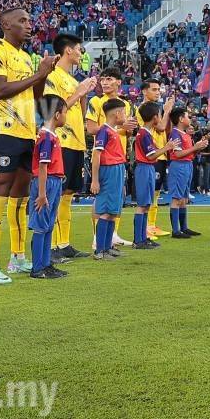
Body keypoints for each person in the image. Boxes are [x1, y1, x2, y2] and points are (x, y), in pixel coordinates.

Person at [0, 8, 58, 284]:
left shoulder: (25, 57)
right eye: (22, 21)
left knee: (21, 197)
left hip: (26, 131)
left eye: (29, 21)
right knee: (0, 190)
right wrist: (39, 74)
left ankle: (17, 257)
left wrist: (43, 74)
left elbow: (36, 96)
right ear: (5, 24)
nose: (29, 25)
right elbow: (0, 90)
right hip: (3, 129)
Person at [43, 34, 97, 263]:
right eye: (79, 49)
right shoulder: (52, 76)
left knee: (68, 193)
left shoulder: (74, 80)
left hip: (76, 142)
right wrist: (79, 92)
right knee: (56, 192)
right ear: (68, 50)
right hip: (61, 141)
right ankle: (51, 246)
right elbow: (52, 110)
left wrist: (84, 94)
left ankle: (64, 243)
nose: (81, 53)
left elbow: (80, 113)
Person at [85, 67, 134, 249]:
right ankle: (97, 238)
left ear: (119, 82)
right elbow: (91, 129)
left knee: (116, 198)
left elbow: (127, 131)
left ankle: (112, 236)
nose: (104, 82)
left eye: (109, 79)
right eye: (103, 79)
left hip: (119, 156)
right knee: (101, 200)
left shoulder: (125, 104)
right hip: (105, 159)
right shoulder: (96, 101)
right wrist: (120, 128)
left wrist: (127, 129)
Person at [26, 96, 69, 280]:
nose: (66, 116)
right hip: (46, 183)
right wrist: (42, 194)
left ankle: (46, 264)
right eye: (65, 112)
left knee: (49, 224)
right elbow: (42, 166)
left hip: (54, 181)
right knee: (41, 224)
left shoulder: (51, 136)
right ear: (57, 114)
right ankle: (37, 268)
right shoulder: (46, 138)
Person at [90, 99, 129, 258]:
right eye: (124, 112)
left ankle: (107, 247)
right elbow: (96, 154)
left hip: (117, 170)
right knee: (106, 211)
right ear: (117, 113)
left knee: (113, 211)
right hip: (109, 172)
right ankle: (100, 250)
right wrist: (95, 180)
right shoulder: (104, 131)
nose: (125, 115)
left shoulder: (113, 131)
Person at [138, 79, 174, 238]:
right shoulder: (143, 109)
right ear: (144, 91)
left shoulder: (156, 108)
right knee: (150, 193)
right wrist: (167, 111)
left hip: (161, 153)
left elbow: (165, 130)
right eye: (154, 89)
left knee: (156, 192)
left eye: (159, 89)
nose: (158, 92)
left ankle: (151, 225)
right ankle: (146, 228)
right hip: (152, 155)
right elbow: (160, 127)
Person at [131, 101, 169, 249]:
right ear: (154, 117)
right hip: (144, 168)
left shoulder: (146, 133)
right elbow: (151, 155)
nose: (160, 118)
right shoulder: (144, 134)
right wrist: (166, 147)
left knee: (147, 204)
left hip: (148, 168)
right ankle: (138, 240)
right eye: (159, 115)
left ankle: (143, 237)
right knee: (142, 205)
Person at [167, 107, 208, 238]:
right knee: (177, 198)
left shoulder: (185, 134)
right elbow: (178, 154)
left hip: (187, 165)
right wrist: (195, 147)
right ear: (181, 119)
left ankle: (183, 228)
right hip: (179, 166)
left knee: (184, 198)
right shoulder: (175, 134)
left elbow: (189, 153)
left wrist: (198, 147)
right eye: (187, 116)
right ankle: (175, 230)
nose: (189, 119)